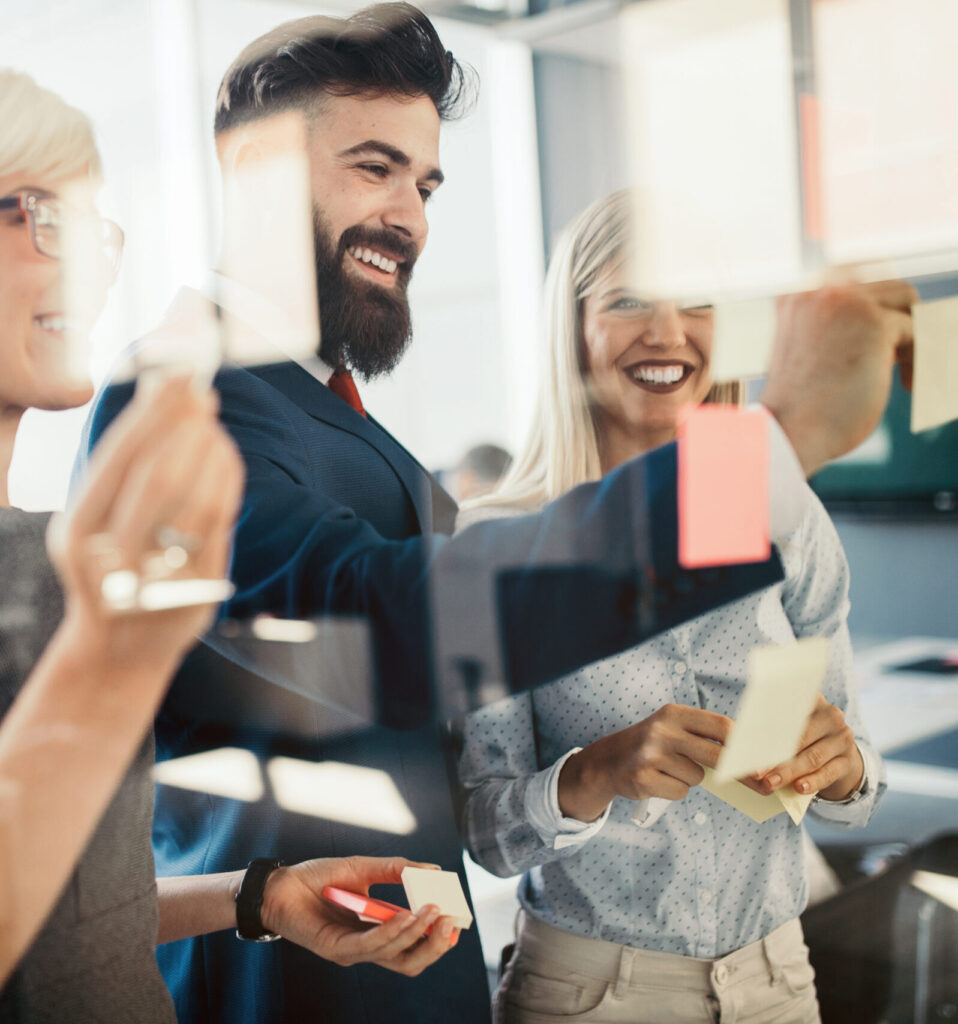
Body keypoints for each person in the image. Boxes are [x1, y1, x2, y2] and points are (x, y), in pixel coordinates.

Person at [83, 6, 915, 1023]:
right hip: (289, 983)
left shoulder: (324, 409)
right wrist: (765, 448)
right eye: (373, 167)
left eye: (424, 184)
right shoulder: (183, 394)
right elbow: (370, 614)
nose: (411, 217)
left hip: (408, 959)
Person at [0, 69, 459, 1021]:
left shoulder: (40, 558)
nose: (92, 265)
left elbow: (72, 911)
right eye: (41, 215)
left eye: (95, 227)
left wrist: (259, 899)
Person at [457, 190, 890, 1023]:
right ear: (572, 327)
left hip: (779, 984)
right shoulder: (503, 549)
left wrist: (844, 767)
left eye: (696, 301)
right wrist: (593, 774)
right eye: (627, 302)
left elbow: (860, 786)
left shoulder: (782, 512)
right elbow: (486, 831)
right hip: (590, 995)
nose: (667, 332)